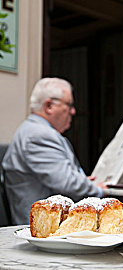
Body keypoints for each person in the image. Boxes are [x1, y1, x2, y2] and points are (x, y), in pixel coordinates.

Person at [2, 77, 105, 225]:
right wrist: (98, 189)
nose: (73, 111)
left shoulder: (34, 131)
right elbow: (68, 183)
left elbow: (61, 177)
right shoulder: (39, 135)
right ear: (49, 106)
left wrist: (82, 180)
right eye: (69, 105)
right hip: (46, 231)